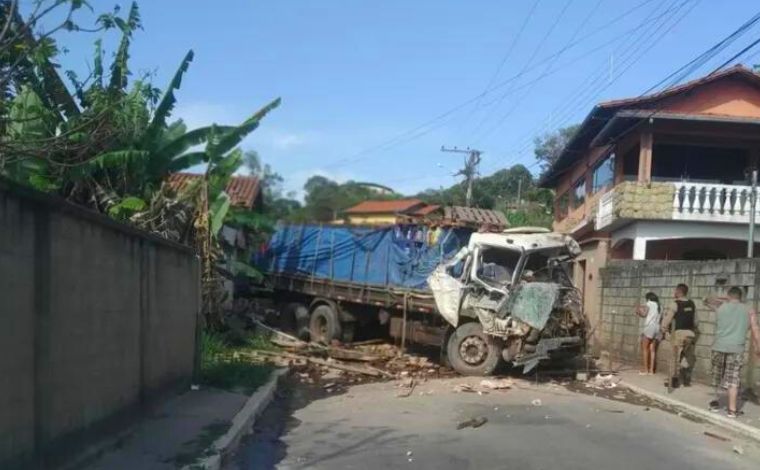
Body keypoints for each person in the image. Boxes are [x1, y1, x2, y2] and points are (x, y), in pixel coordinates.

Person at [704, 287, 760, 418]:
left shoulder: (720, 307)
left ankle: (716, 404)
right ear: (741, 297)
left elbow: (706, 299)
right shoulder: (749, 310)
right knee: (733, 378)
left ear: (729, 295)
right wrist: (758, 347)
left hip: (719, 347)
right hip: (736, 349)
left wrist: (724, 299)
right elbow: (755, 329)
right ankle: (732, 410)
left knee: (717, 376)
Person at [660, 283, 696, 389]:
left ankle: (673, 380)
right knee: (687, 357)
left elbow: (668, 319)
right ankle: (686, 379)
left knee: (674, 357)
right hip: (690, 334)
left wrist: (663, 327)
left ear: (678, 292)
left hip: (678, 334)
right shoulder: (692, 304)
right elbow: (696, 321)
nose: (674, 293)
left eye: (675, 291)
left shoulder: (675, 304)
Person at [635, 292, 661, 375]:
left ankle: (645, 370)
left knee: (644, 348)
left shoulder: (649, 303)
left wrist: (638, 310)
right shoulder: (660, 306)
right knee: (652, 350)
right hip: (657, 328)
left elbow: (644, 314)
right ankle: (651, 370)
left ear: (648, 298)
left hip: (649, 327)